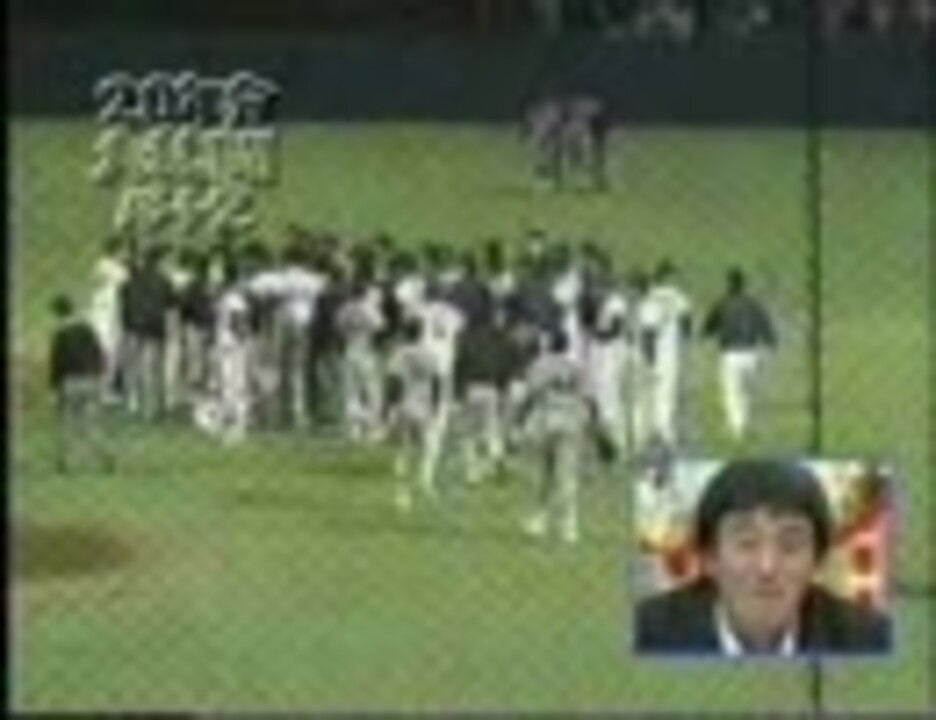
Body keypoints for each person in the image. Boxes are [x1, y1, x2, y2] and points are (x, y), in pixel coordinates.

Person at [634, 458, 891, 656]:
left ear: (817, 561)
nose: (767, 567)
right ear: (710, 559)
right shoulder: (644, 635)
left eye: (790, 545)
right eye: (746, 544)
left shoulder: (871, 641)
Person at [702, 267, 776, 441]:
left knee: (732, 394)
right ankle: (746, 425)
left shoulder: (722, 303)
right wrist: (770, 343)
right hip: (751, 353)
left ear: (728, 284)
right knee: (748, 393)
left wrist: (705, 335)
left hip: (730, 355)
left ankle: (737, 431)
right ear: (743, 284)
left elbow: (708, 327)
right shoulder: (753, 304)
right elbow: (765, 326)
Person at [49, 295, 115, 474]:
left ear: (57, 315)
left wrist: (54, 389)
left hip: (71, 382)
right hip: (91, 380)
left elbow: (57, 363)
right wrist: (101, 375)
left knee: (68, 424)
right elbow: (99, 354)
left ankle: (67, 462)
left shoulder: (60, 334)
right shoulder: (87, 329)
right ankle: (105, 457)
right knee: (92, 424)